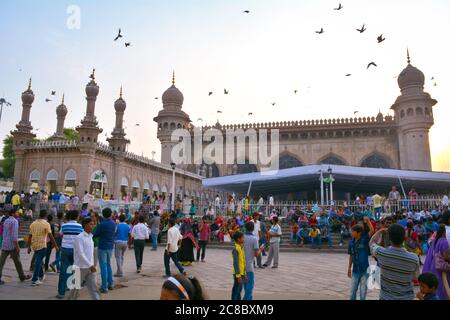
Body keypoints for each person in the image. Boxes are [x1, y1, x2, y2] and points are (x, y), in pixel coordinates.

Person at [369, 223, 420, 300]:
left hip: (386, 297)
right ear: (404, 238)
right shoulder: (413, 258)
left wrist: (380, 231)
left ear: (389, 238)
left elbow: (371, 242)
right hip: (406, 297)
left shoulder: (381, 253)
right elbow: (416, 277)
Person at [67, 217, 101, 300]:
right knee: (76, 288)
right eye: (91, 224)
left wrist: (93, 265)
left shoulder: (90, 237)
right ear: (85, 225)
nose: (93, 226)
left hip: (90, 267)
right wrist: (90, 265)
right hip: (80, 267)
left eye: (93, 224)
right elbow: (81, 254)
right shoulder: (79, 237)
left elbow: (91, 253)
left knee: (94, 287)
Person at [0, 205, 31, 284]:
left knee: (1, 263)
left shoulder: (6, 220)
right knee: (17, 262)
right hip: (12, 245)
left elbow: (5, 233)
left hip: (5, 244)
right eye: (17, 212)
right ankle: (22, 276)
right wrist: (17, 247)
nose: (18, 213)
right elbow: (14, 237)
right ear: (13, 213)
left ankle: (22, 276)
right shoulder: (15, 221)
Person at [27, 210, 59, 287]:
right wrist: (56, 246)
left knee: (39, 260)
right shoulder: (46, 224)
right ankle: (35, 279)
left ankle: (41, 275)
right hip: (42, 245)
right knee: (38, 261)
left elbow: (30, 236)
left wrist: (29, 247)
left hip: (34, 245)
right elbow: (51, 236)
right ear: (45, 216)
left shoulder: (33, 224)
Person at [56, 210, 83, 299]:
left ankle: (61, 293)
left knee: (64, 270)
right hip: (76, 250)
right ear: (77, 217)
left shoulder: (64, 225)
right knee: (76, 270)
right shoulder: (80, 226)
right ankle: (75, 293)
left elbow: (60, 234)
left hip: (65, 249)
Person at [347, 217, 374, 301]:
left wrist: (368, 221)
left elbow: (372, 231)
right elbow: (351, 255)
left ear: (358, 233)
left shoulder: (364, 239)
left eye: (353, 231)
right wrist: (349, 268)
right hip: (355, 270)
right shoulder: (351, 242)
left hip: (365, 271)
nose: (351, 233)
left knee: (363, 293)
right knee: (352, 292)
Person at [422, 224, 450, 300]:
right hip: (442, 270)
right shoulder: (444, 241)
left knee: (437, 287)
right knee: (443, 288)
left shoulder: (435, 240)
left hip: (434, 267)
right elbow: (447, 256)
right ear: (444, 232)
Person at [93, 207, 116, 293]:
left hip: (102, 246)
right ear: (110, 214)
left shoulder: (101, 224)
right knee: (108, 265)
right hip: (110, 246)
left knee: (103, 266)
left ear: (103, 215)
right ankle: (111, 284)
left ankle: (104, 287)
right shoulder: (113, 223)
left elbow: (95, 234)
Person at [243, 221, 265, 300]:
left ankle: (249, 299)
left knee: (245, 284)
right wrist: (261, 249)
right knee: (250, 284)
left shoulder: (242, 237)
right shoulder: (254, 239)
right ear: (253, 229)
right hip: (249, 264)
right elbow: (256, 254)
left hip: (242, 264)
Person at [231, 231, 247, 300]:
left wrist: (245, 274)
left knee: (239, 290)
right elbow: (236, 263)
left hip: (242, 273)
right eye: (243, 238)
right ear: (238, 239)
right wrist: (238, 276)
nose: (244, 239)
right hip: (238, 273)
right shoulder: (236, 249)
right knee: (236, 290)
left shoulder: (241, 247)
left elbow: (243, 262)